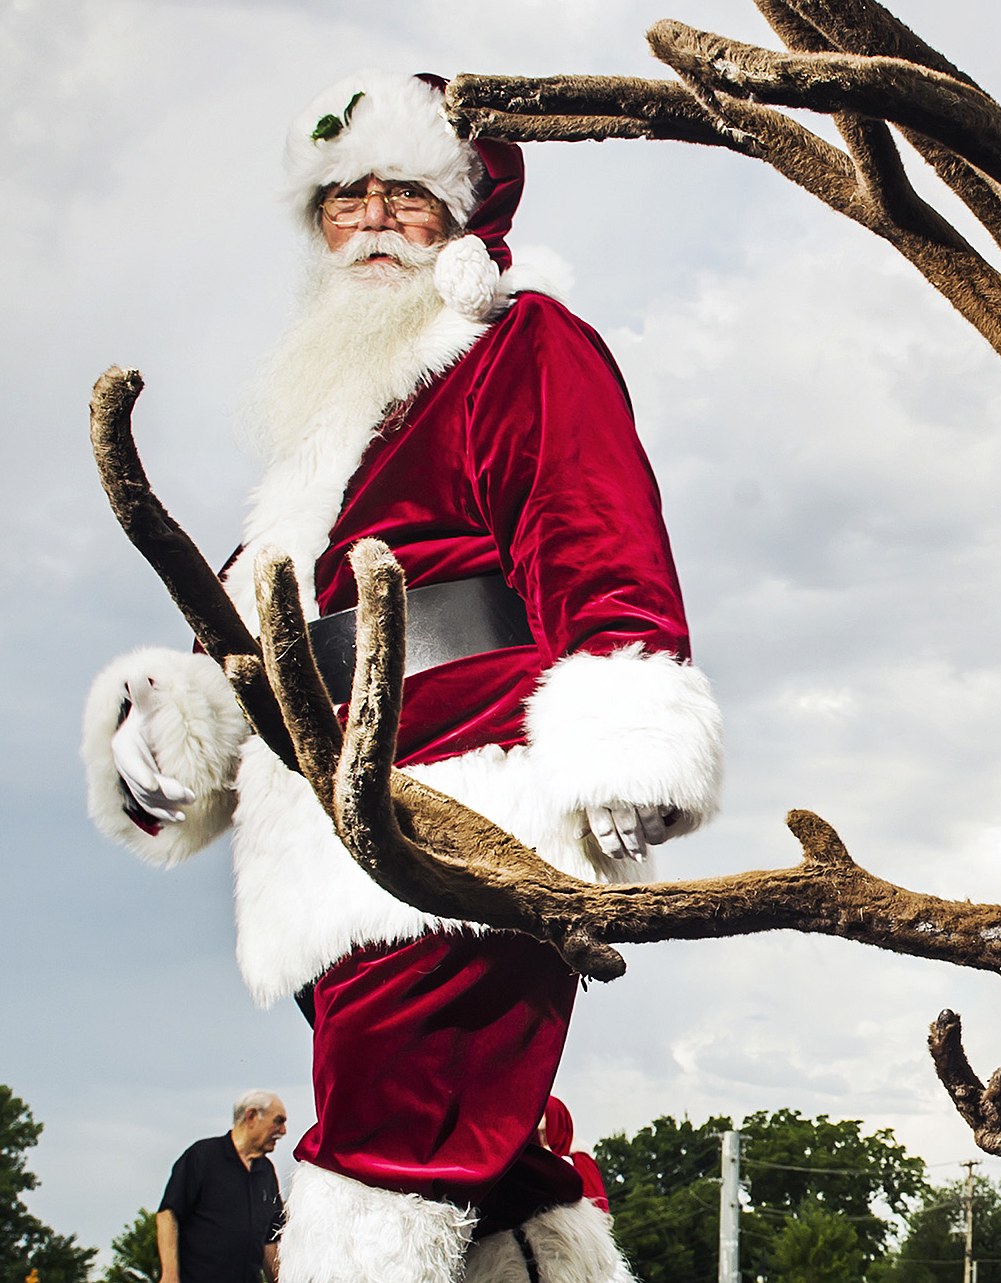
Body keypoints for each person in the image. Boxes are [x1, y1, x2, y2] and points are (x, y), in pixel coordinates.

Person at [80, 71, 722, 1283]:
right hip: (323, 828)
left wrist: (630, 738)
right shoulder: (321, 425)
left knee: (391, 1154)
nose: (371, 218)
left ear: (463, 212)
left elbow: (596, 532)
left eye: (403, 192)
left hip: (466, 811)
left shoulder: (516, 343)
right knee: (482, 1168)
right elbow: (247, 621)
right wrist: (173, 729)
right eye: (342, 197)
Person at [158, 1091, 287, 1283]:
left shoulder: (266, 1171)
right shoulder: (202, 1157)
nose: (283, 1130)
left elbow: (269, 1240)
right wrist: (170, 1276)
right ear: (251, 1117)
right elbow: (168, 1215)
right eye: (278, 1121)